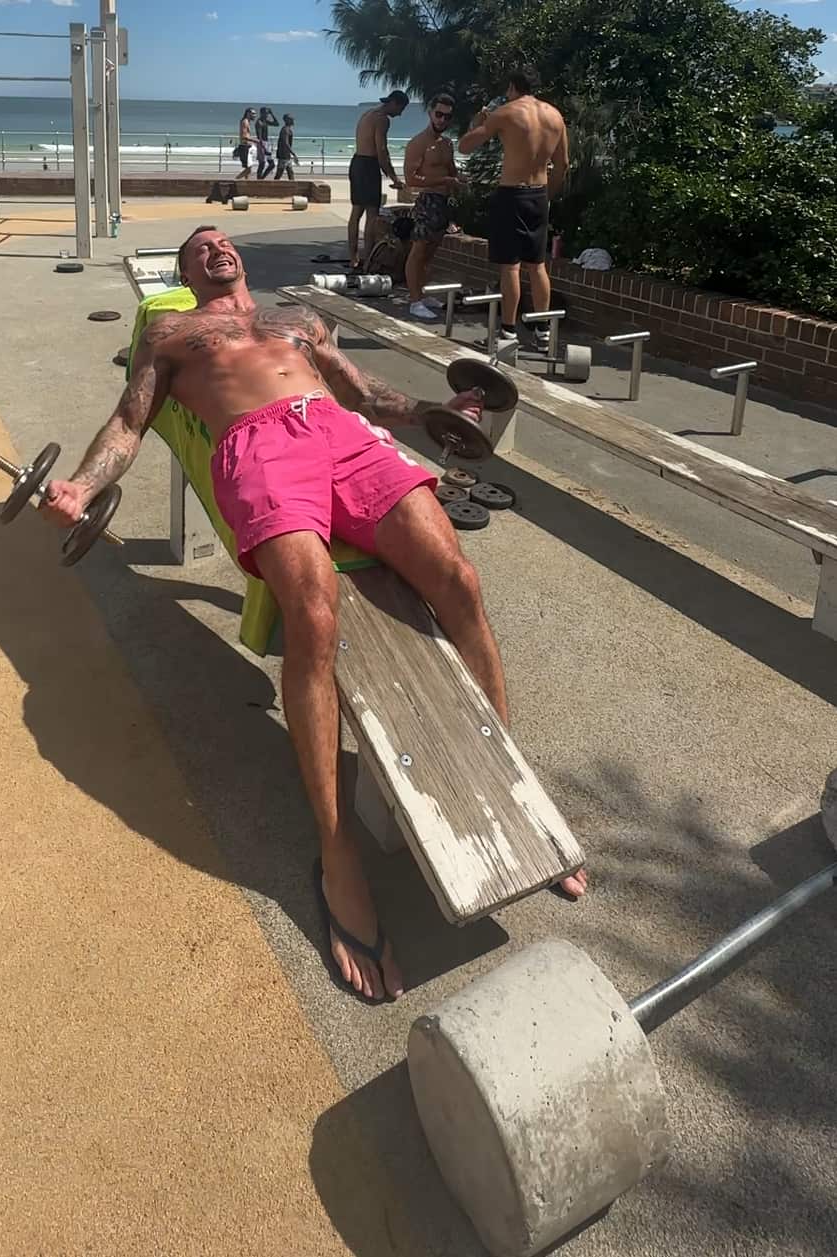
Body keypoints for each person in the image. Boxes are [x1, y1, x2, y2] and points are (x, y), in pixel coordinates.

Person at [41, 226, 588, 1003]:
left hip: (341, 436)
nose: (213, 249)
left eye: (220, 241)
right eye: (197, 248)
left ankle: (511, 786)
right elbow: (129, 423)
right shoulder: (170, 333)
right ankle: (338, 859)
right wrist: (81, 488)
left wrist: (438, 408)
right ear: (184, 273)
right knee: (315, 619)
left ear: (238, 260)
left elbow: (365, 397)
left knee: (458, 581)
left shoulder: (297, 322)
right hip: (257, 452)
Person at [458, 68, 568, 350]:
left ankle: (508, 331)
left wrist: (479, 121)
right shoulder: (555, 116)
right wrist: (548, 195)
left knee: (511, 266)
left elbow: (465, 146)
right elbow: (563, 164)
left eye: (508, 89)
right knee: (538, 264)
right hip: (539, 194)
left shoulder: (506, 112)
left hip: (512, 194)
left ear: (513, 87)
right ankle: (542, 331)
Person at [402, 92, 462, 321]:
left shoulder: (447, 143)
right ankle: (414, 300)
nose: (442, 120)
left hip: (444, 202)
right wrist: (443, 181)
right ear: (430, 113)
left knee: (430, 252)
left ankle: (423, 293)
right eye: (439, 114)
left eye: (447, 117)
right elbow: (411, 179)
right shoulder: (419, 143)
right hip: (428, 200)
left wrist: (458, 182)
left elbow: (451, 170)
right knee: (418, 251)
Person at [347, 90, 408, 270]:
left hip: (357, 162)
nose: (400, 114)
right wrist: (394, 178)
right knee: (372, 215)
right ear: (394, 103)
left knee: (356, 213)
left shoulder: (368, 113)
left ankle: (354, 258)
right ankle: (368, 260)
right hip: (368, 165)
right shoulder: (382, 119)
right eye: (401, 108)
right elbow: (381, 151)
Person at [255, 107, 278, 179]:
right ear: (261, 113)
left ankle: (262, 178)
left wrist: (272, 114)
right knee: (262, 164)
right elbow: (259, 137)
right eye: (265, 113)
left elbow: (276, 124)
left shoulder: (265, 121)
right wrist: (264, 148)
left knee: (272, 164)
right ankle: (259, 179)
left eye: (267, 113)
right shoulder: (259, 122)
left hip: (267, 143)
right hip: (262, 143)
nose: (267, 115)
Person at [274, 113, 298, 179]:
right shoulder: (285, 130)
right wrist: (293, 153)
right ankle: (273, 187)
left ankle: (293, 187)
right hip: (283, 155)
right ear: (287, 120)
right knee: (279, 174)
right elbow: (286, 143)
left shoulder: (288, 129)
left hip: (286, 155)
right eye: (291, 119)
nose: (293, 121)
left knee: (290, 173)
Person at [235, 108, 256, 178]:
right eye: (253, 113)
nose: (255, 115)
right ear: (248, 113)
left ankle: (246, 184)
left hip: (247, 147)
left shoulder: (247, 122)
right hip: (245, 147)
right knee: (249, 170)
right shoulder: (245, 122)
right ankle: (236, 180)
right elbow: (244, 136)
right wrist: (256, 141)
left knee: (247, 168)